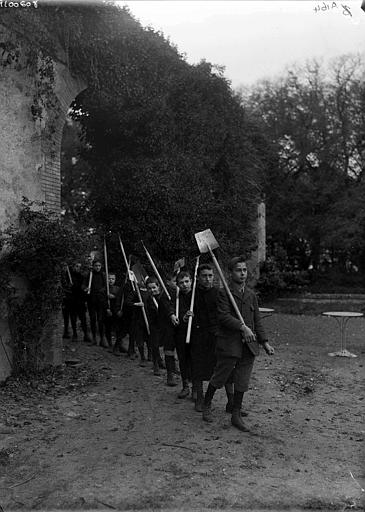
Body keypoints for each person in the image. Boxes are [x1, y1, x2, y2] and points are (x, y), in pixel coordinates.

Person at [202, 256, 275, 432]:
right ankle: (206, 404)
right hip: (229, 342)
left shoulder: (251, 295)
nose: (242, 273)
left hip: (248, 344)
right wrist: (242, 327)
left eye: (244, 270)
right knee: (221, 376)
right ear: (230, 273)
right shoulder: (223, 293)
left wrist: (264, 342)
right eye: (238, 270)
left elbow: (257, 320)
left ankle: (236, 413)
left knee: (242, 380)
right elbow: (223, 316)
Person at [170, 270, 193, 398]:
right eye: (181, 283)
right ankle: (185, 386)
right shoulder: (176, 296)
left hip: (195, 333)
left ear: (191, 281)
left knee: (194, 359)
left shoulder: (196, 295)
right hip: (180, 333)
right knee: (183, 360)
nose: (184, 285)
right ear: (177, 285)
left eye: (187, 281)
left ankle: (196, 387)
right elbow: (169, 307)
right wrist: (174, 315)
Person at [84, 260, 108, 347]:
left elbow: (106, 286)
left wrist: (103, 291)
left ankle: (102, 338)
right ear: (93, 266)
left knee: (101, 320)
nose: (98, 267)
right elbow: (83, 285)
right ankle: (94, 338)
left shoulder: (103, 275)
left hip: (100, 301)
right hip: (91, 301)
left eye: (99, 266)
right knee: (93, 319)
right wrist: (86, 289)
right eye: (96, 266)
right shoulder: (89, 275)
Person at [145, 276, 165, 376]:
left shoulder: (163, 296)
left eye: (154, 287)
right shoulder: (149, 299)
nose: (152, 290)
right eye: (149, 288)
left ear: (158, 287)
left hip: (165, 324)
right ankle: (156, 364)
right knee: (155, 345)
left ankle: (162, 361)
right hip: (155, 325)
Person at [68, 261, 90, 342]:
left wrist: (85, 290)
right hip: (72, 301)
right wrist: (69, 286)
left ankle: (86, 334)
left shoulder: (82, 277)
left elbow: (83, 288)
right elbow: (68, 288)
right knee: (73, 318)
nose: (78, 268)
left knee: (83, 319)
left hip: (80, 301)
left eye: (79, 267)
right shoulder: (69, 276)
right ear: (73, 267)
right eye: (77, 266)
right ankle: (74, 334)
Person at [104, 272, 123, 350]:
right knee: (108, 327)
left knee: (118, 328)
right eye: (109, 279)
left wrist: (114, 297)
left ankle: (118, 344)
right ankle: (109, 343)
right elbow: (101, 300)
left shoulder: (118, 289)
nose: (111, 280)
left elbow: (120, 299)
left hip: (115, 311)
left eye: (112, 279)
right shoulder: (104, 289)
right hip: (107, 312)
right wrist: (106, 308)